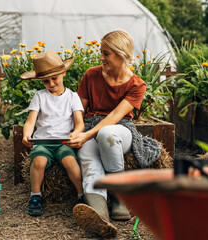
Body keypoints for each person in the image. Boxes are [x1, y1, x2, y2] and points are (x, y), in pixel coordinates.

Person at [65, 30, 162, 237]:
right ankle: (98, 215)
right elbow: (79, 110)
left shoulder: (137, 84)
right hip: (90, 125)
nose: (101, 58)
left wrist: (87, 135)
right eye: (102, 52)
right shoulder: (91, 74)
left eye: (106, 53)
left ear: (121, 54)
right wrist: (78, 130)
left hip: (121, 130)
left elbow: (116, 115)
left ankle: (119, 196)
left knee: (106, 133)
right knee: (89, 163)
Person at [21, 50, 85, 217]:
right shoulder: (39, 96)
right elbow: (30, 121)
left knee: (71, 162)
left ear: (63, 72)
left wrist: (75, 133)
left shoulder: (72, 96)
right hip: (43, 142)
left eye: (54, 78)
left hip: (64, 142)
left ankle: (81, 195)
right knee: (39, 162)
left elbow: (79, 124)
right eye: (45, 81)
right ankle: (35, 196)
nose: (51, 83)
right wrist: (27, 135)